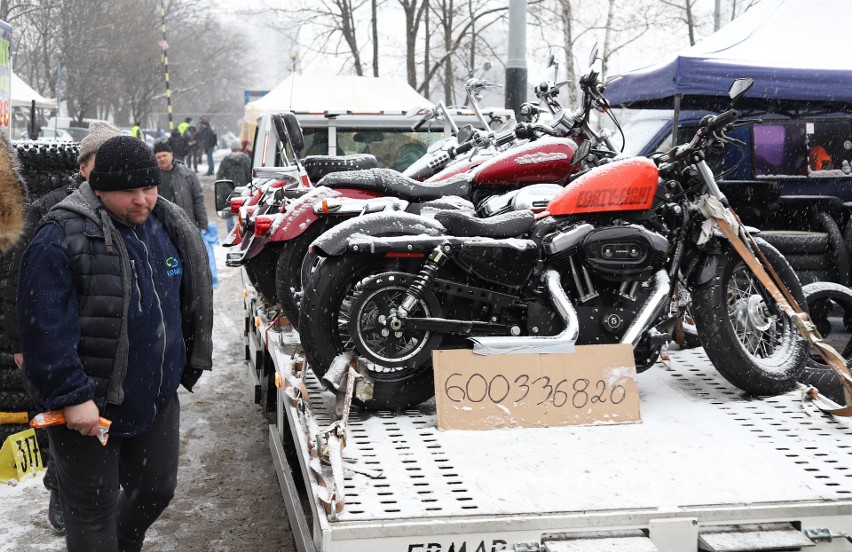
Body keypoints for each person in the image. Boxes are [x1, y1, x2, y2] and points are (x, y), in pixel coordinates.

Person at [17, 135, 213, 552]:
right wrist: (71, 396)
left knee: (157, 489)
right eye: (129, 191)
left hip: (154, 394)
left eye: (150, 187)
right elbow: (43, 327)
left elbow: (184, 300)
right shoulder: (59, 234)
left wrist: (185, 360)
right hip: (91, 404)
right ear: (99, 187)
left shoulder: (165, 224)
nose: (143, 200)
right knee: (92, 510)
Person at [4, 120, 123, 534]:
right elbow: (20, 280)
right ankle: (60, 489)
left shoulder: (129, 211)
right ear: (84, 165)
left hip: (110, 343)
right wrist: (21, 341)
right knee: (63, 416)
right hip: (61, 339)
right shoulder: (53, 210)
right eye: (100, 160)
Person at [153, 140, 208, 230]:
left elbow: (198, 199)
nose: (162, 159)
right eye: (158, 157)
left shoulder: (187, 174)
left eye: (164, 155)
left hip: (187, 225)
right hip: (162, 226)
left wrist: (203, 224)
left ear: (171, 155)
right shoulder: (152, 177)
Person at [215, 140, 252, 233]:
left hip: (229, 191)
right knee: (243, 212)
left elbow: (220, 176)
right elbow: (250, 175)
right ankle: (242, 232)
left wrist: (224, 189)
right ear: (240, 148)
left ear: (231, 149)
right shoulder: (246, 159)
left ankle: (231, 233)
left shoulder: (226, 160)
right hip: (243, 190)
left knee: (229, 212)